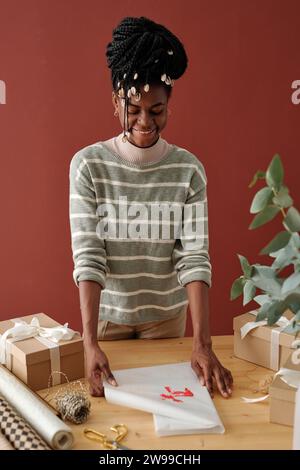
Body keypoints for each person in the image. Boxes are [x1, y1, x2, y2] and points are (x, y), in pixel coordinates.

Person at [69, 16, 233, 400]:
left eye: (156, 110)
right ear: (116, 101)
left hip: (166, 319)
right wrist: (89, 341)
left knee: (171, 405)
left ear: (168, 104)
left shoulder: (188, 170)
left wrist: (202, 343)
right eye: (134, 109)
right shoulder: (89, 165)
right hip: (109, 319)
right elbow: (89, 255)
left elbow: (194, 257)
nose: (145, 121)